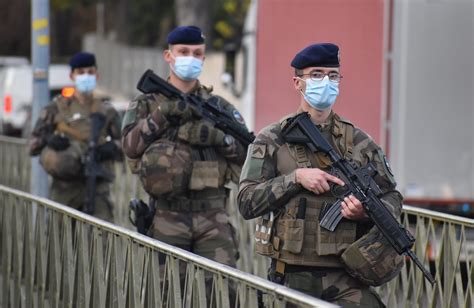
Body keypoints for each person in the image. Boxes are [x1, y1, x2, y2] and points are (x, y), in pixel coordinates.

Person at [237, 43, 403, 307]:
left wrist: (366, 211)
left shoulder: (360, 142)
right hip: (292, 275)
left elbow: (392, 197)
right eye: (316, 74)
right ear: (297, 83)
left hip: (347, 274)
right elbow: (246, 201)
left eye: (332, 75)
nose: (325, 82)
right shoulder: (272, 138)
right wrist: (295, 179)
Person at [121, 25, 248, 284]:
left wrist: (218, 139)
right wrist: (162, 115)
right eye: (183, 51)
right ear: (169, 56)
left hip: (213, 217)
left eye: (196, 53)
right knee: (166, 292)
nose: (190, 57)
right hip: (167, 215)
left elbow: (248, 155)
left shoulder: (219, 108)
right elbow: (130, 146)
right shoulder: (146, 103)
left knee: (222, 293)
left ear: (203, 58)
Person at [29, 52, 122, 222]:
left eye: (90, 72)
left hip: (98, 188)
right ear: (72, 75)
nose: (85, 76)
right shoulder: (56, 108)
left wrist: (111, 148)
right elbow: (33, 145)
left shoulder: (106, 111)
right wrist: (50, 141)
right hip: (65, 190)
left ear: (97, 75)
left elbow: (125, 146)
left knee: (101, 242)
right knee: (60, 244)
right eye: (81, 72)